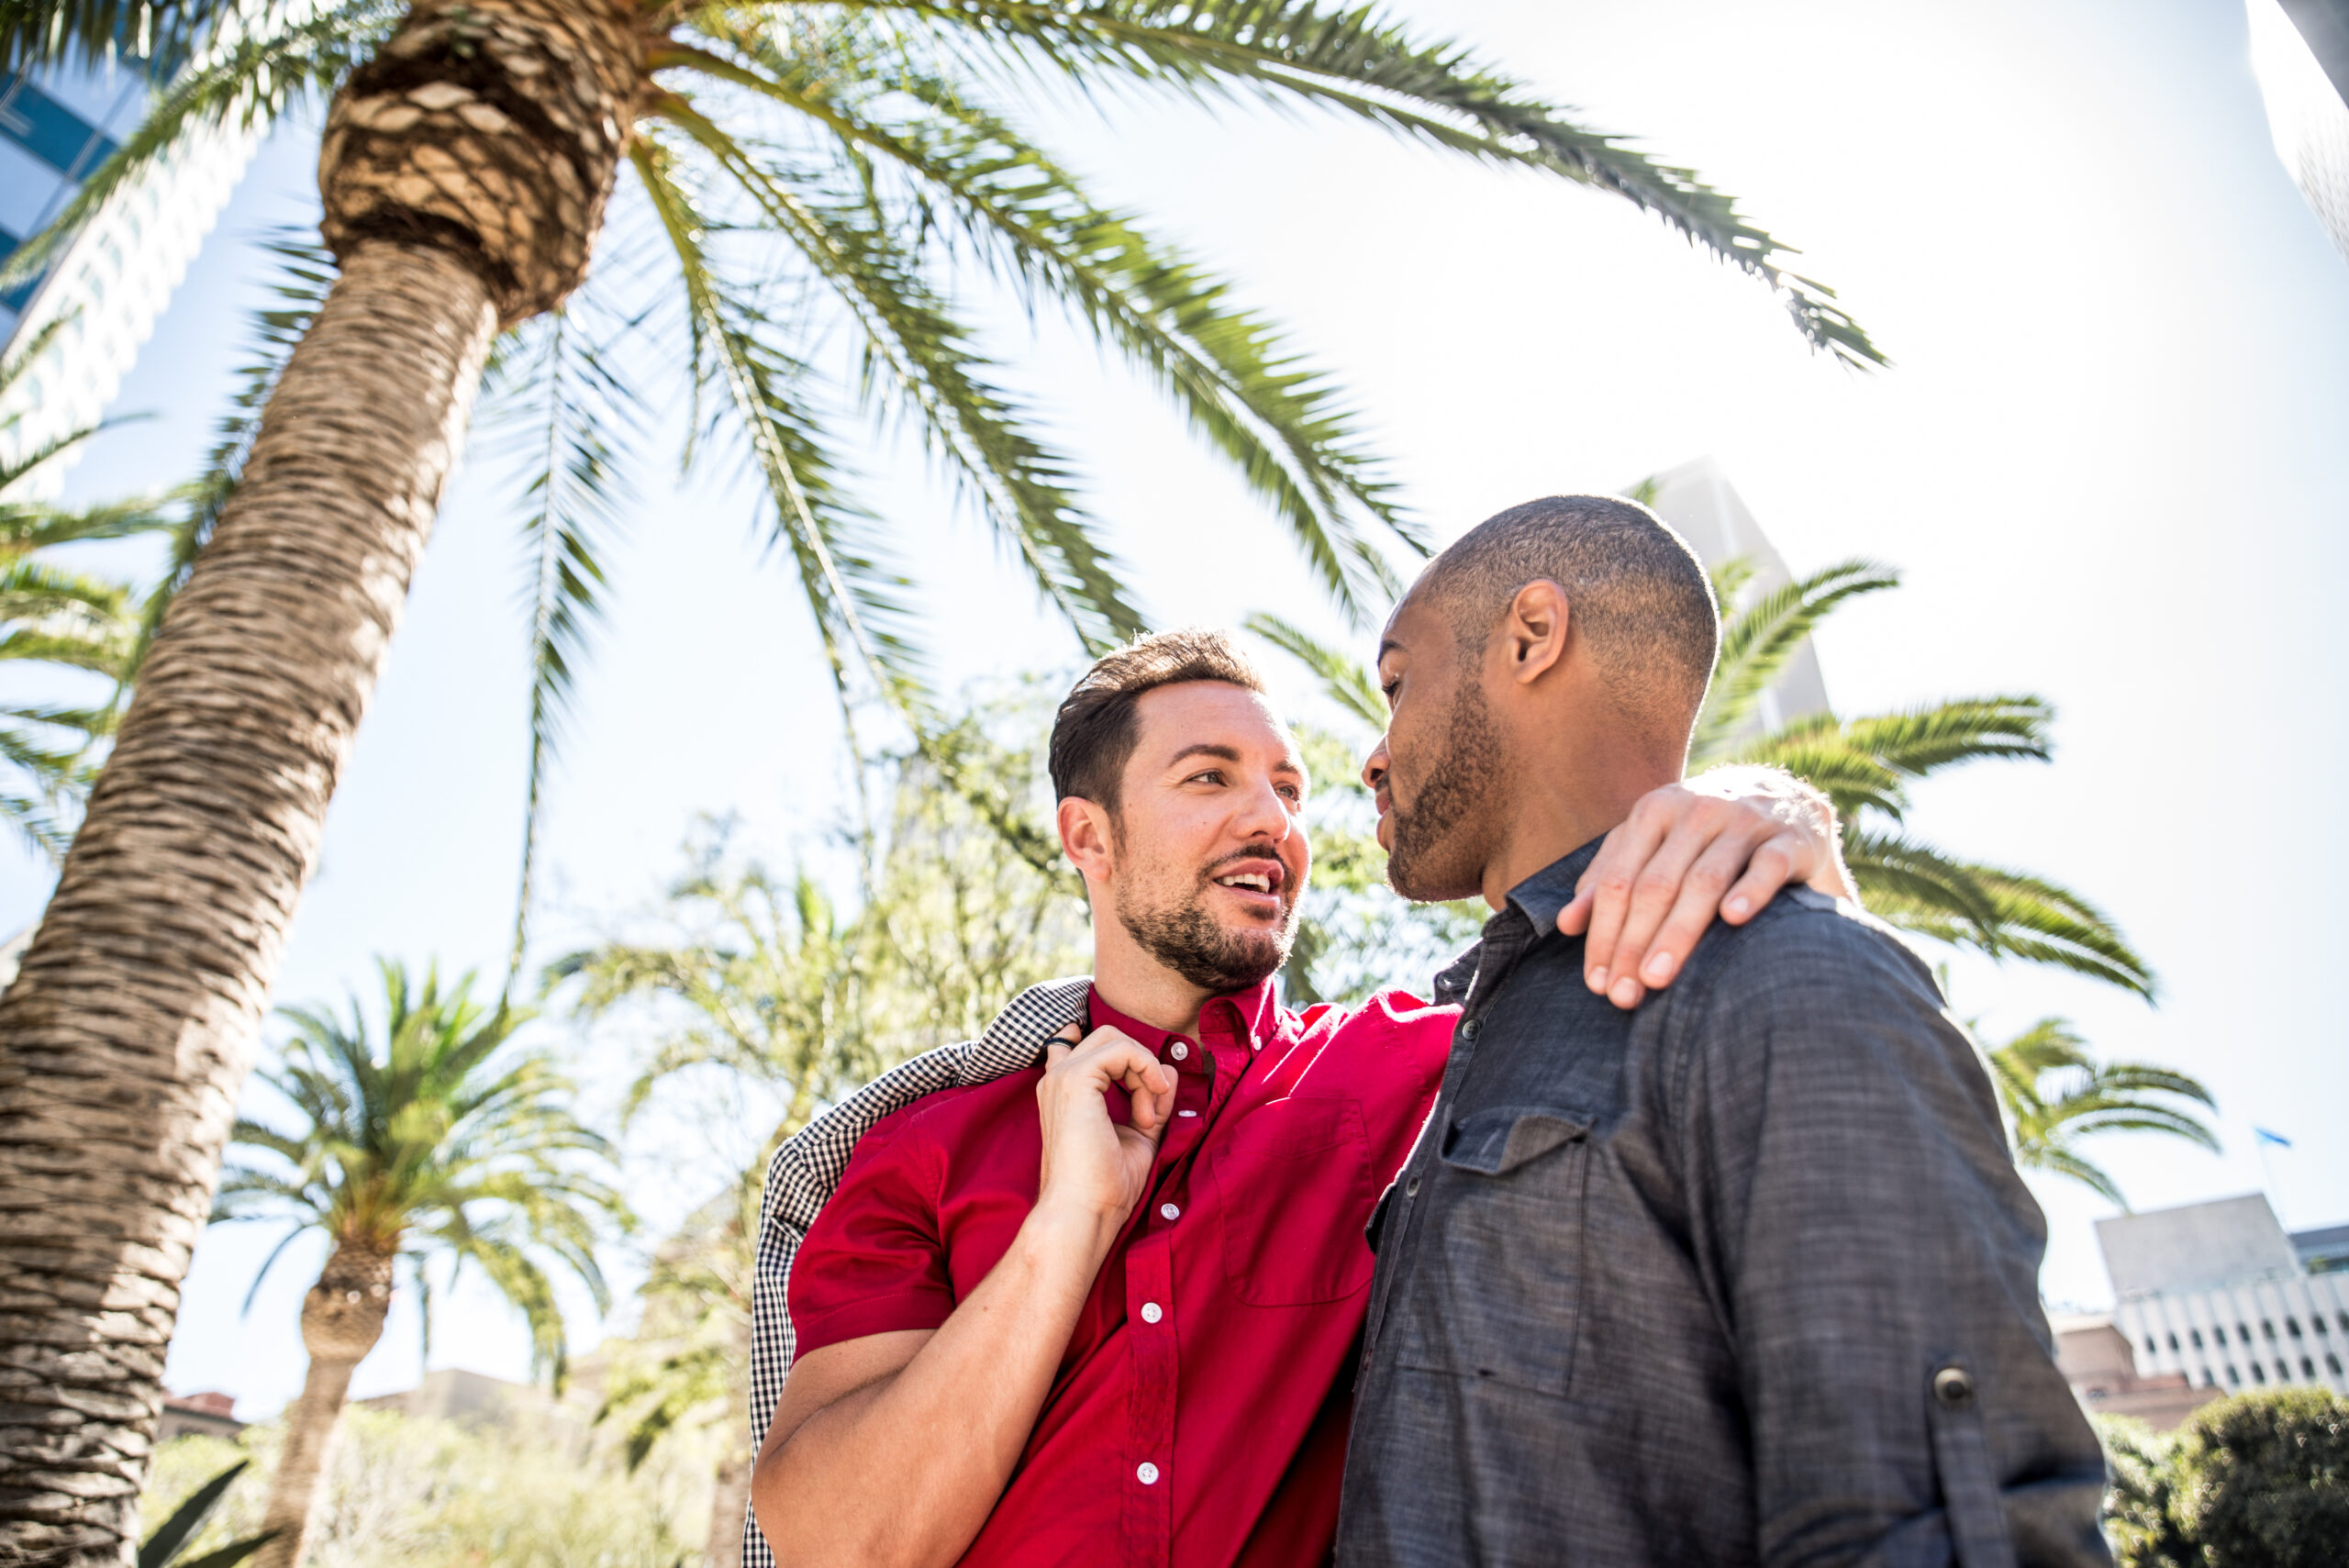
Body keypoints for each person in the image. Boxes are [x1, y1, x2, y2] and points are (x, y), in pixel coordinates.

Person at [743, 627, 1853, 1568]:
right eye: (1210, 776)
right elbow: (839, 1541)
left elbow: (1673, 975)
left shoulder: (1428, 1066)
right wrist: (1067, 1223)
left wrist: (1771, 808)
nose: (1271, 819)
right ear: (1089, 835)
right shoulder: (917, 1148)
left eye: (1288, 787)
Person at [1337, 495, 2109, 1566]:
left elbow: (1941, 1533)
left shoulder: (1789, 977)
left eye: (1394, 683)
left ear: (1530, 635)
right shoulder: (1461, 1043)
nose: (1371, 756)